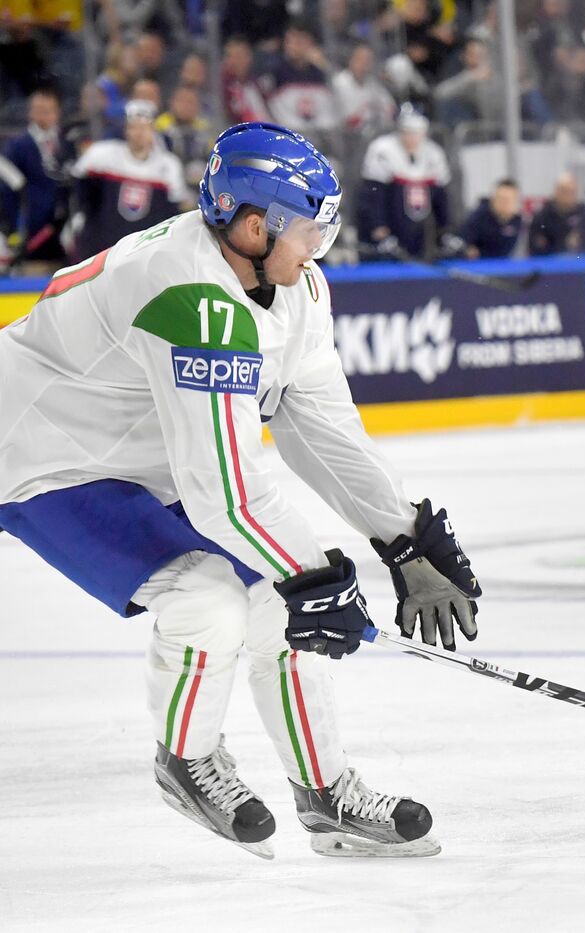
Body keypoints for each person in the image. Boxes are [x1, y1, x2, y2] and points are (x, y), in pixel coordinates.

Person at [0, 123, 482, 858]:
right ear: (254, 225)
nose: (319, 250)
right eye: (309, 233)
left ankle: (326, 795)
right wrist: (315, 575)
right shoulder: (190, 292)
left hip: (137, 454)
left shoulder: (293, 287)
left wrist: (404, 532)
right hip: (42, 454)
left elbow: (321, 424)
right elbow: (220, 488)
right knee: (209, 599)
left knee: (275, 600)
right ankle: (185, 759)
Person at [68, 100, 191, 260]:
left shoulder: (168, 166)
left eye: (144, 127)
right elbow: (77, 190)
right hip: (101, 248)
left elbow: (175, 212)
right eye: (134, 127)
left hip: (144, 253)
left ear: (153, 130)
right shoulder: (101, 155)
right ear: (126, 129)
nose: (139, 133)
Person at [358, 106, 456, 261]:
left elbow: (441, 196)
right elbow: (373, 193)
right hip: (392, 218)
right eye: (407, 132)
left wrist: (445, 230)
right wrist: (378, 225)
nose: (412, 138)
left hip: (419, 225)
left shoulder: (433, 153)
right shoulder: (382, 149)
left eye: (416, 133)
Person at [0, 87, 75, 274]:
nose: (43, 116)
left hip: (64, 242)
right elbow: (8, 193)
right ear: (30, 112)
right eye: (39, 110)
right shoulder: (17, 147)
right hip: (33, 242)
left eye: (48, 110)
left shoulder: (67, 144)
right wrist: (14, 234)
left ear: (57, 113)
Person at [529, 171, 585, 256]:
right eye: (565, 191)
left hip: (579, 263)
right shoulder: (542, 216)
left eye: (572, 192)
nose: (569, 196)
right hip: (550, 266)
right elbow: (536, 247)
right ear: (556, 191)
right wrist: (564, 244)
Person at [459, 178, 523, 259]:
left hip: (502, 265)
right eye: (501, 199)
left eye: (509, 200)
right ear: (493, 198)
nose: (504, 204)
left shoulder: (517, 220)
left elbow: (506, 249)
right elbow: (465, 245)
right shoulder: (478, 217)